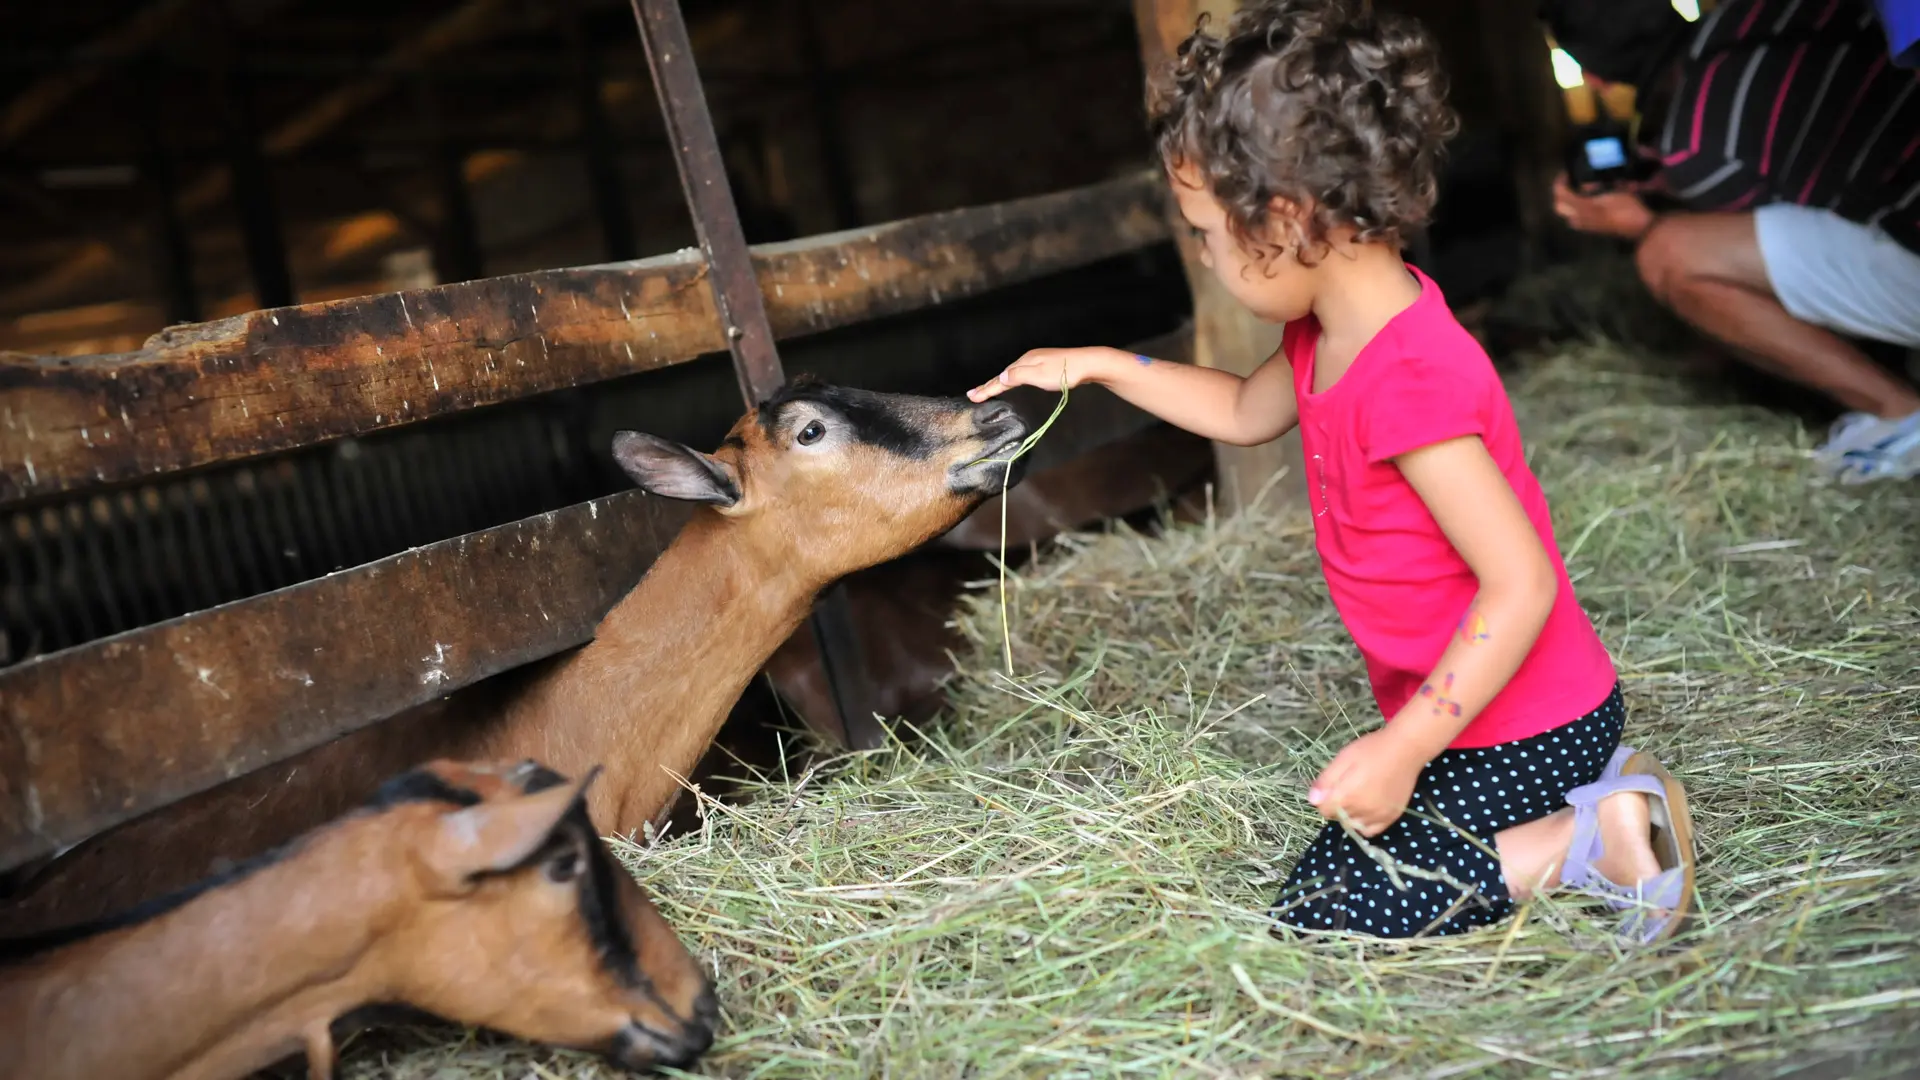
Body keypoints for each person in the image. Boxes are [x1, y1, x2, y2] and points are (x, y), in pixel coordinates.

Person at [968, 0, 1698, 942]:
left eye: (1203, 232)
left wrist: (1404, 746)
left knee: (1333, 905)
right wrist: (1104, 364)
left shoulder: (1409, 379)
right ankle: (1580, 818)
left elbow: (1520, 586)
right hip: (1474, 718)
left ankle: (1603, 828)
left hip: (1528, 723)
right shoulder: (1330, 333)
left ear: (1284, 217)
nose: (1201, 252)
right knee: (1339, 873)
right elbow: (1240, 410)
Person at [1546, 0, 1920, 484]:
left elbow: (1739, 241)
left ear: (1595, 79)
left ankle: (1899, 414)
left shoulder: (1696, 146)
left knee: (1670, 254)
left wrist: (1639, 224)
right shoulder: (1766, 12)